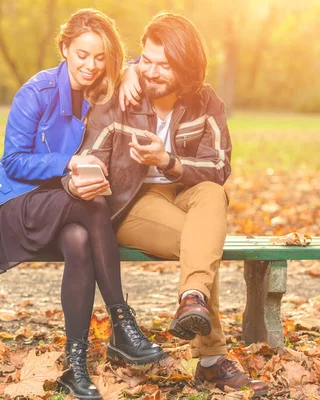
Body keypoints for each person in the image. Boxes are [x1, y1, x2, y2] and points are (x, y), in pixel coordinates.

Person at [63, 12, 270, 397]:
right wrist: (84, 179)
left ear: (187, 70)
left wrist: (167, 161)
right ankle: (211, 360)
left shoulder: (206, 101)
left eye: (164, 65)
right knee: (202, 244)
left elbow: (219, 166)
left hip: (185, 192)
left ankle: (192, 300)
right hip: (132, 203)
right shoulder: (120, 97)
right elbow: (85, 156)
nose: (151, 72)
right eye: (146, 60)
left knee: (212, 194)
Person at [0, 9, 165, 400]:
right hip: (20, 205)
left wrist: (130, 70)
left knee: (80, 239)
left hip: (67, 207)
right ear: (64, 48)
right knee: (94, 206)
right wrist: (68, 161)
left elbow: (140, 65)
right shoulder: (36, 92)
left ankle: (74, 367)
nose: (91, 66)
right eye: (82, 55)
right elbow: (13, 160)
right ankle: (121, 321)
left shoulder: (104, 87)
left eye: (100, 58)